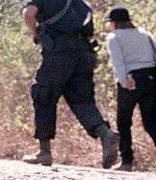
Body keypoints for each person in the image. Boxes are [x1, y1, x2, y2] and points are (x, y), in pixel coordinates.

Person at [22, 0, 120, 168]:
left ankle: (44, 152)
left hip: (59, 53)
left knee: (43, 94)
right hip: (84, 54)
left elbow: (29, 13)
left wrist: (36, 34)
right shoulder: (82, 4)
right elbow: (90, 34)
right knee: (83, 101)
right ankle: (105, 133)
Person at [105, 6, 156, 174]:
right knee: (150, 121)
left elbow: (118, 63)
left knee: (124, 122)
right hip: (151, 78)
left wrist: (123, 81)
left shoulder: (114, 37)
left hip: (130, 79)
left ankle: (127, 161)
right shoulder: (145, 34)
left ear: (114, 22)